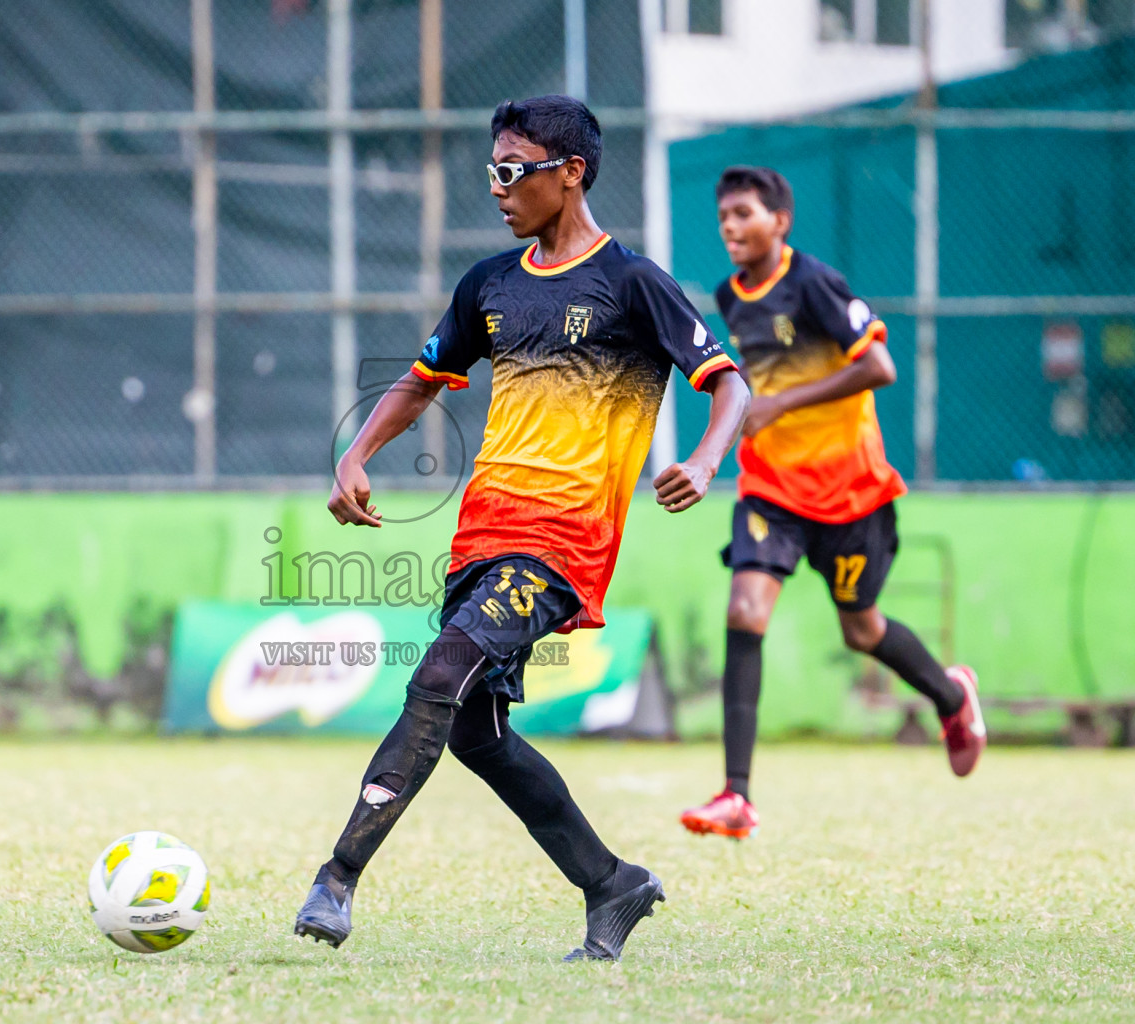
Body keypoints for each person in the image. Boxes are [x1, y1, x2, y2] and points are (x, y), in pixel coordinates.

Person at [293, 95, 749, 961]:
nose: (497, 188)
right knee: (474, 730)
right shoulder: (489, 285)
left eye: (513, 170)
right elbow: (424, 379)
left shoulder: (632, 283)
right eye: (492, 171)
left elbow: (729, 381)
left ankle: (338, 876)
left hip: (562, 545)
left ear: (570, 173)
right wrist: (356, 455)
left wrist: (708, 457)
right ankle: (612, 883)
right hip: (481, 540)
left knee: (438, 676)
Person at [679, 166, 985, 843]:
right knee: (745, 608)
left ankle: (951, 696)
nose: (730, 227)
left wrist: (780, 403)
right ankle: (737, 795)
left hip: (850, 494)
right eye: (723, 215)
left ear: (779, 221)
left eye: (744, 214)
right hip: (772, 489)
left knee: (862, 630)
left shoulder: (813, 283)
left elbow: (879, 367)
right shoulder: (730, 297)